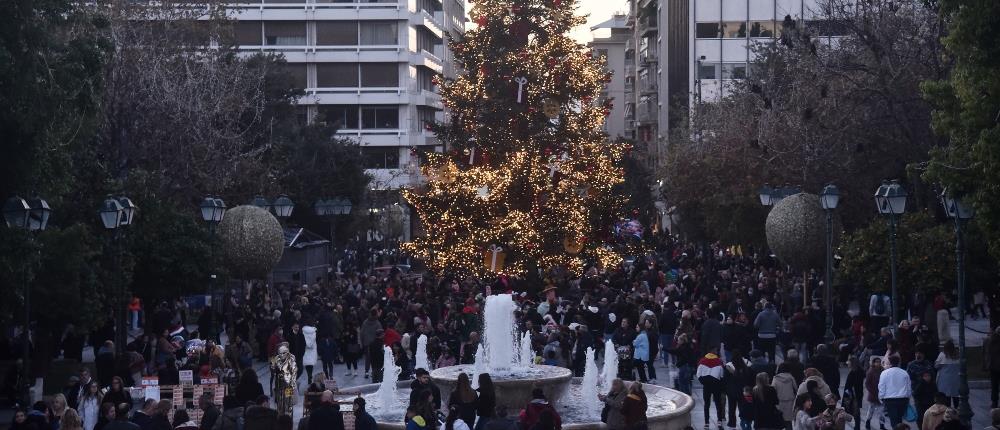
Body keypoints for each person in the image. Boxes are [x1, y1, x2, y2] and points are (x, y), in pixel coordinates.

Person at [877, 355, 911, 429]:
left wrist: (881, 398)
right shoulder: (904, 373)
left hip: (890, 400)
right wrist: (908, 398)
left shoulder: (884, 373)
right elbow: (908, 387)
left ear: (890, 362)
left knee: (893, 420)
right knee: (899, 419)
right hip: (903, 399)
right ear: (899, 362)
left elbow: (881, 387)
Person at [697, 346, 726, 430]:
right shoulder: (719, 361)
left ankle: (706, 423)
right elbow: (721, 375)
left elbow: (698, 374)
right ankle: (719, 421)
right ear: (715, 352)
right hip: (716, 386)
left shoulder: (702, 361)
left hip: (706, 386)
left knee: (706, 404)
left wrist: (704, 382)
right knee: (718, 403)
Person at [773, 364, 799, 430]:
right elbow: (796, 388)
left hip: (780, 402)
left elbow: (773, 390)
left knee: (780, 420)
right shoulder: (791, 377)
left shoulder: (775, 378)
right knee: (789, 421)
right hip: (790, 401)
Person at [864, 357, 887, 430]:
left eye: (879, 362)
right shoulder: (870, 371)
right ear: (873, 363)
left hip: (882, 394)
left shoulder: (883, 371)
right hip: (873, 395)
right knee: (871, 410)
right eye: (876, 362)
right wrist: (873, 392)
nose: (878, 363)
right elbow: (867, 384)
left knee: (881, 412)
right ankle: (867, 422)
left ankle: (882, 425)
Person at [936, 341, 961, 407]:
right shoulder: (958, 355)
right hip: (956, 381)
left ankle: (947, 414)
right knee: (956, 398)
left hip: (944, 381)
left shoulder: (942, 355)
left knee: (946, 399)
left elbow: (936, 366)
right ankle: (956, 413)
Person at [984, 328, 1000, 409]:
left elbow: (987, 353)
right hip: (995, 366)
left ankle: (994, 402)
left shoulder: (989, 340)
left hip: (993, 366)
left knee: (994, 386)